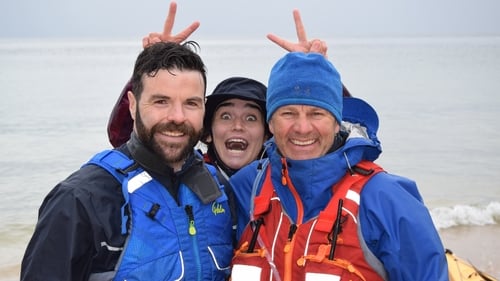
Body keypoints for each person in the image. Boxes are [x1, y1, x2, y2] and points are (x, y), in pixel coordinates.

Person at [21, 41, 234, 281]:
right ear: (132, 105)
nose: (177, 117)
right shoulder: (81, 199)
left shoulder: (220, 189)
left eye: (191, 103)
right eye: (161, 101)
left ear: (204, 108)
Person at [229, 53, 449, 280]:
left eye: (317, 113)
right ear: (271, 123)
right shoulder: (247, 187)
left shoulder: (385, 198)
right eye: (288, 113)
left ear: (337, 123)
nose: (302, 128)